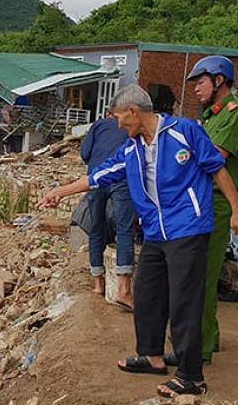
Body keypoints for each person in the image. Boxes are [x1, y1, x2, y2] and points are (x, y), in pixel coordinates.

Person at [38, 85, 238, 398]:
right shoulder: (132, 149)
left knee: (184, 301)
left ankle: (191, 376)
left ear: (133, 111)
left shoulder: (183, 131)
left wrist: (237, 209)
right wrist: (58, 192)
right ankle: (153, 356)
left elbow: (216, 168)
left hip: (188, 227)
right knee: (146, 293)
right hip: (156, 232)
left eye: (119, 118)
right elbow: (98, 176)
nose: (118, 125)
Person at [186, 55, 238, 363]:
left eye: (200, 82)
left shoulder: (232, 114)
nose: (195, 89)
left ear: (219, 81)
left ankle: (197, 348)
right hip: (206, 201)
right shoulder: (213, 115)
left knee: (201, 275)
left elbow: (210, 157)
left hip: (218, 203)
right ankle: (210, 337)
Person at [80, 111, 136, 310]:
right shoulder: (133, 126)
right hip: (121, 179)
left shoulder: (99, 125)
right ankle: (123, 289)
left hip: (96, 176)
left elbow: (84, 153)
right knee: (124, 230)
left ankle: (98, 284)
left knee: (96, 228)